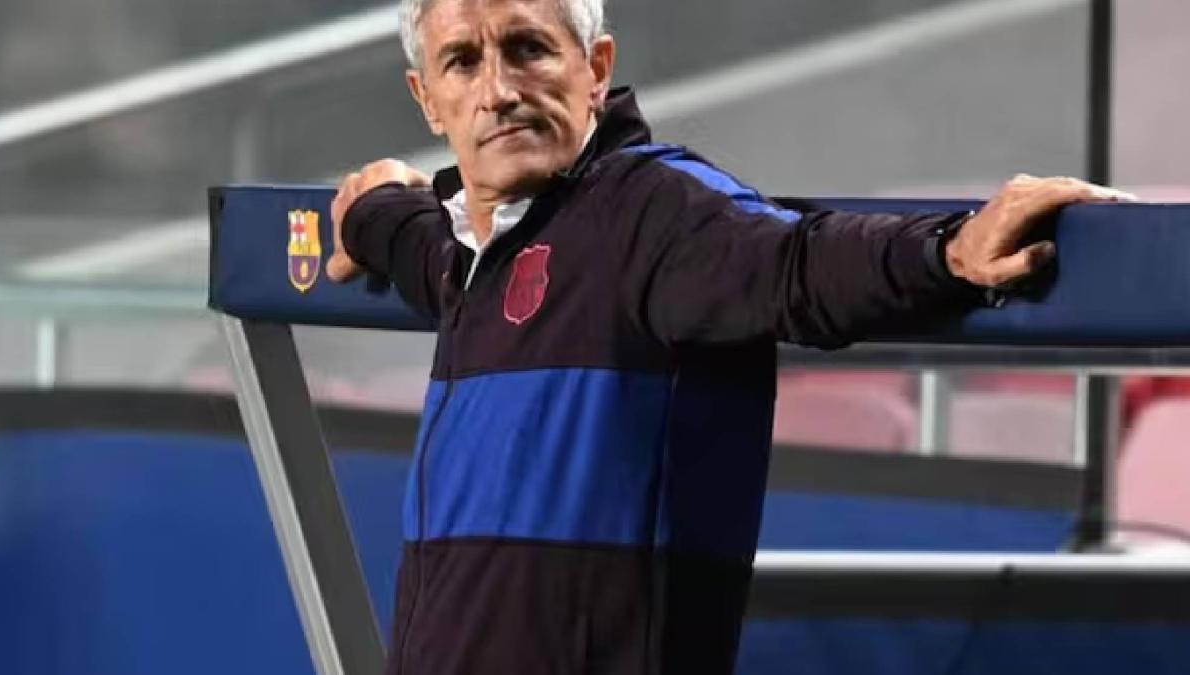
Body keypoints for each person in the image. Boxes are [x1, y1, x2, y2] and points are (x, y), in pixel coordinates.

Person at [325, 1, 1133, 673]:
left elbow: (797, 261)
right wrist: (371, 207)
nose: (499, 90)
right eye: (462, 62)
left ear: (596, 68)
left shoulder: (654, 214)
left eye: (529, 49)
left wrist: (948, 250)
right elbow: (405, 234)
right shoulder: (463, 250)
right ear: (428, 99)